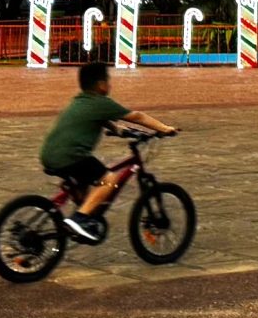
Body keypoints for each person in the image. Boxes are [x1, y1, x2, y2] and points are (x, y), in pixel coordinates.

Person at [41, 59, 178, 243]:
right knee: (110, 180)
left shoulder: (80, 101)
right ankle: (80, 219)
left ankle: (83, 220)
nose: (110, 84)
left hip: (49, 154)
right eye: (108, 80)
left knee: (84, 190)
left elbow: (103, 120)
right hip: (71, 156)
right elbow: (136, 116)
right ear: (100, 84)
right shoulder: (101, 102)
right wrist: (163, 128)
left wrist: (120, 131)